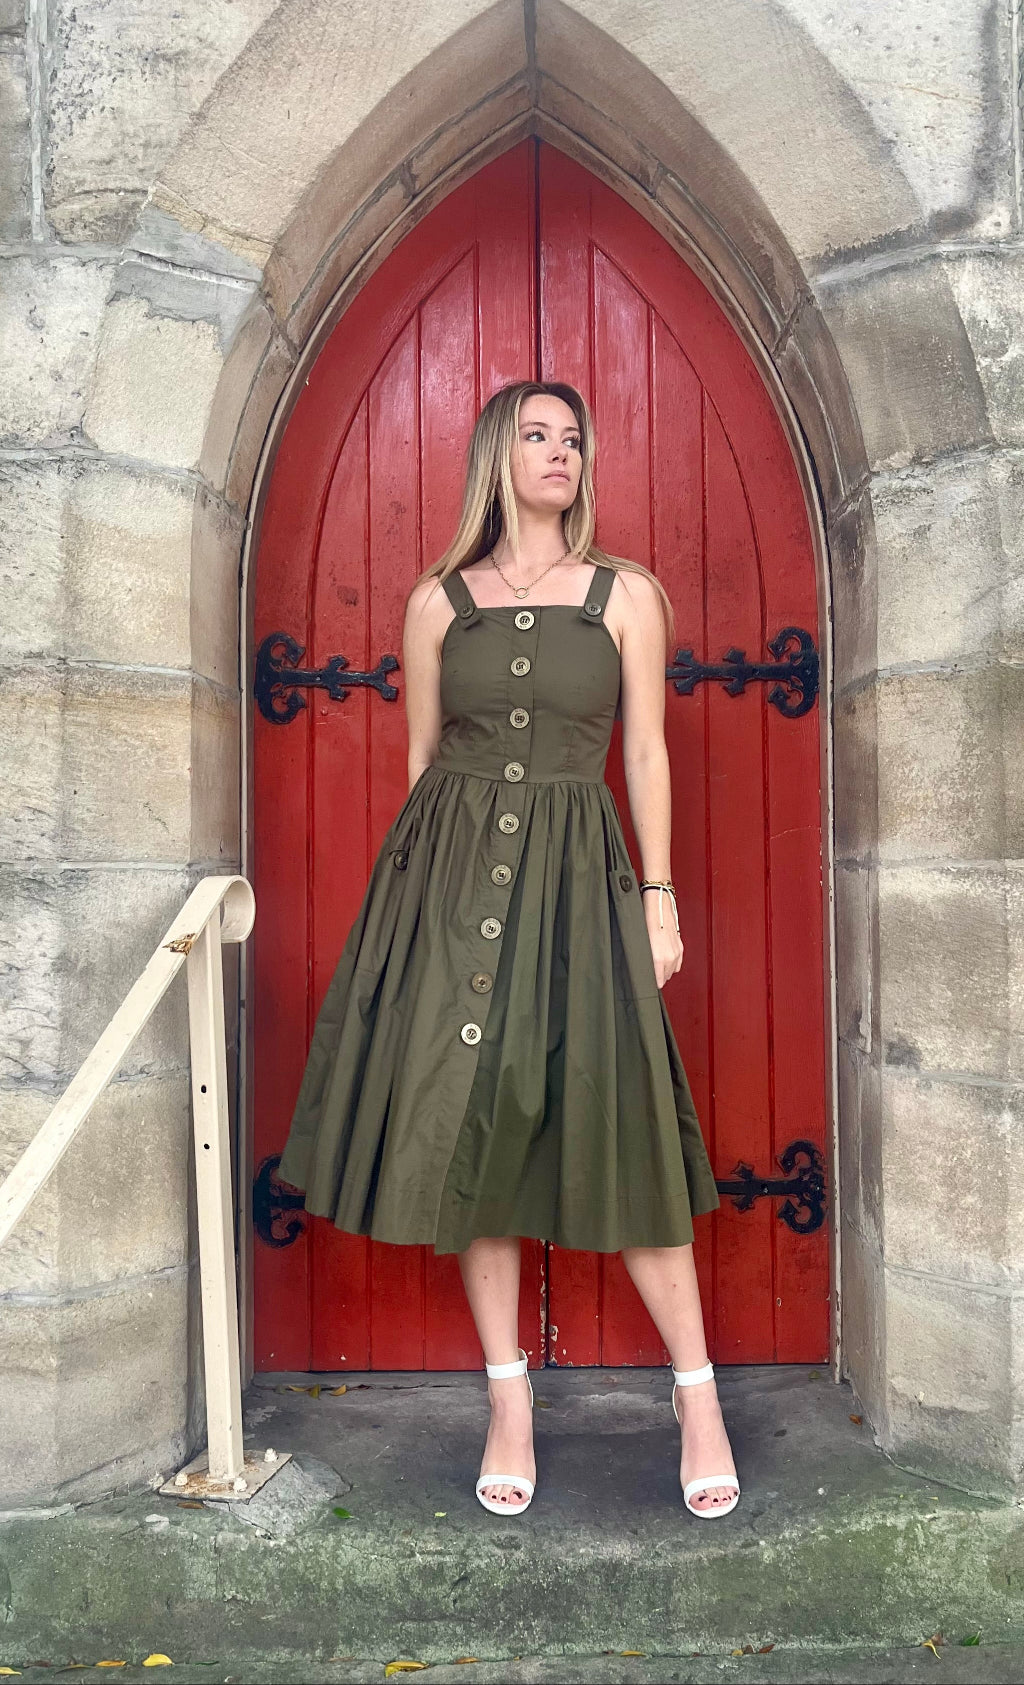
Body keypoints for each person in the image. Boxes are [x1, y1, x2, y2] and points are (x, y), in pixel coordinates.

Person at [276, 379, 740, 1521]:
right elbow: (426, 763)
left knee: (618, 1125)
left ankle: (699, 1395)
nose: (560, 452)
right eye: (537, 434)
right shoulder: (438, 603)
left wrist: (660, 896)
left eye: (573, 437)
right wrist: (417, 918)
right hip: (450, 889)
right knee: (473, 1131)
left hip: (584, 885)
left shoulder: (626, 594)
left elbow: (643, 753)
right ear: (497, 454)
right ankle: (509, 1401)